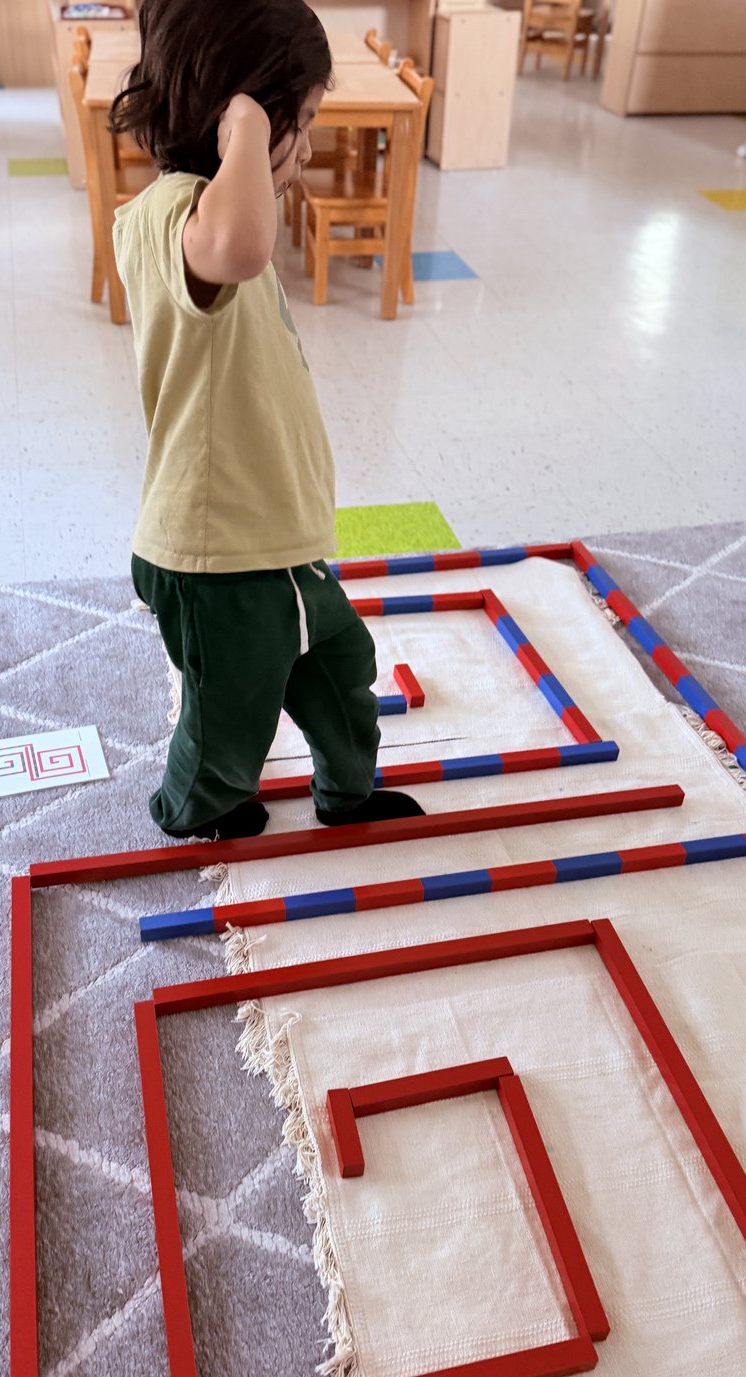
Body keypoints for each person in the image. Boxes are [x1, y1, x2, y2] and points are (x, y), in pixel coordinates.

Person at [110, 0, 424, 841]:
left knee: (341, 670)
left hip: (277, 534)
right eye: (304, 122)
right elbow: (240, 248)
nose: (310, 149)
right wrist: (250, 123)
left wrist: (256, 134)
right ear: (233, 116)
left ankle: (347, 791)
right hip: (215, 552)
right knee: (232, 714)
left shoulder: (218, 205)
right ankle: (195, 806)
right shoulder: (169, 216)